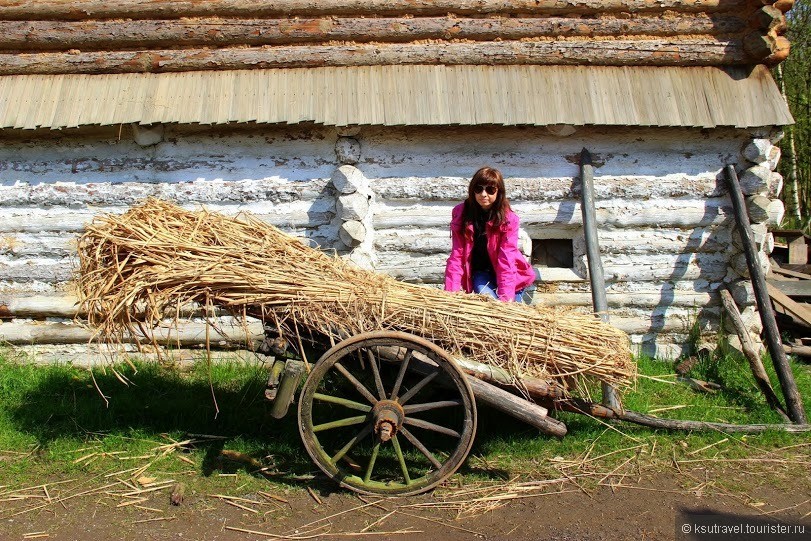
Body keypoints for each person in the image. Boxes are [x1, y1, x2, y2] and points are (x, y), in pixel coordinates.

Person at [444, 166, 536, 302]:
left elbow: (507, 259)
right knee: (490, 304)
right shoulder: (461, 214)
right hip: (482, 273)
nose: (483, 194)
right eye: (478, 188)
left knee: (510, 312)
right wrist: (450, 295)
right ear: (472, 190)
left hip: (510, 276)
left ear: (499, 192)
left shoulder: (509, 219)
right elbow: (457, 255)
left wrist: (506, 299)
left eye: (490, 189)